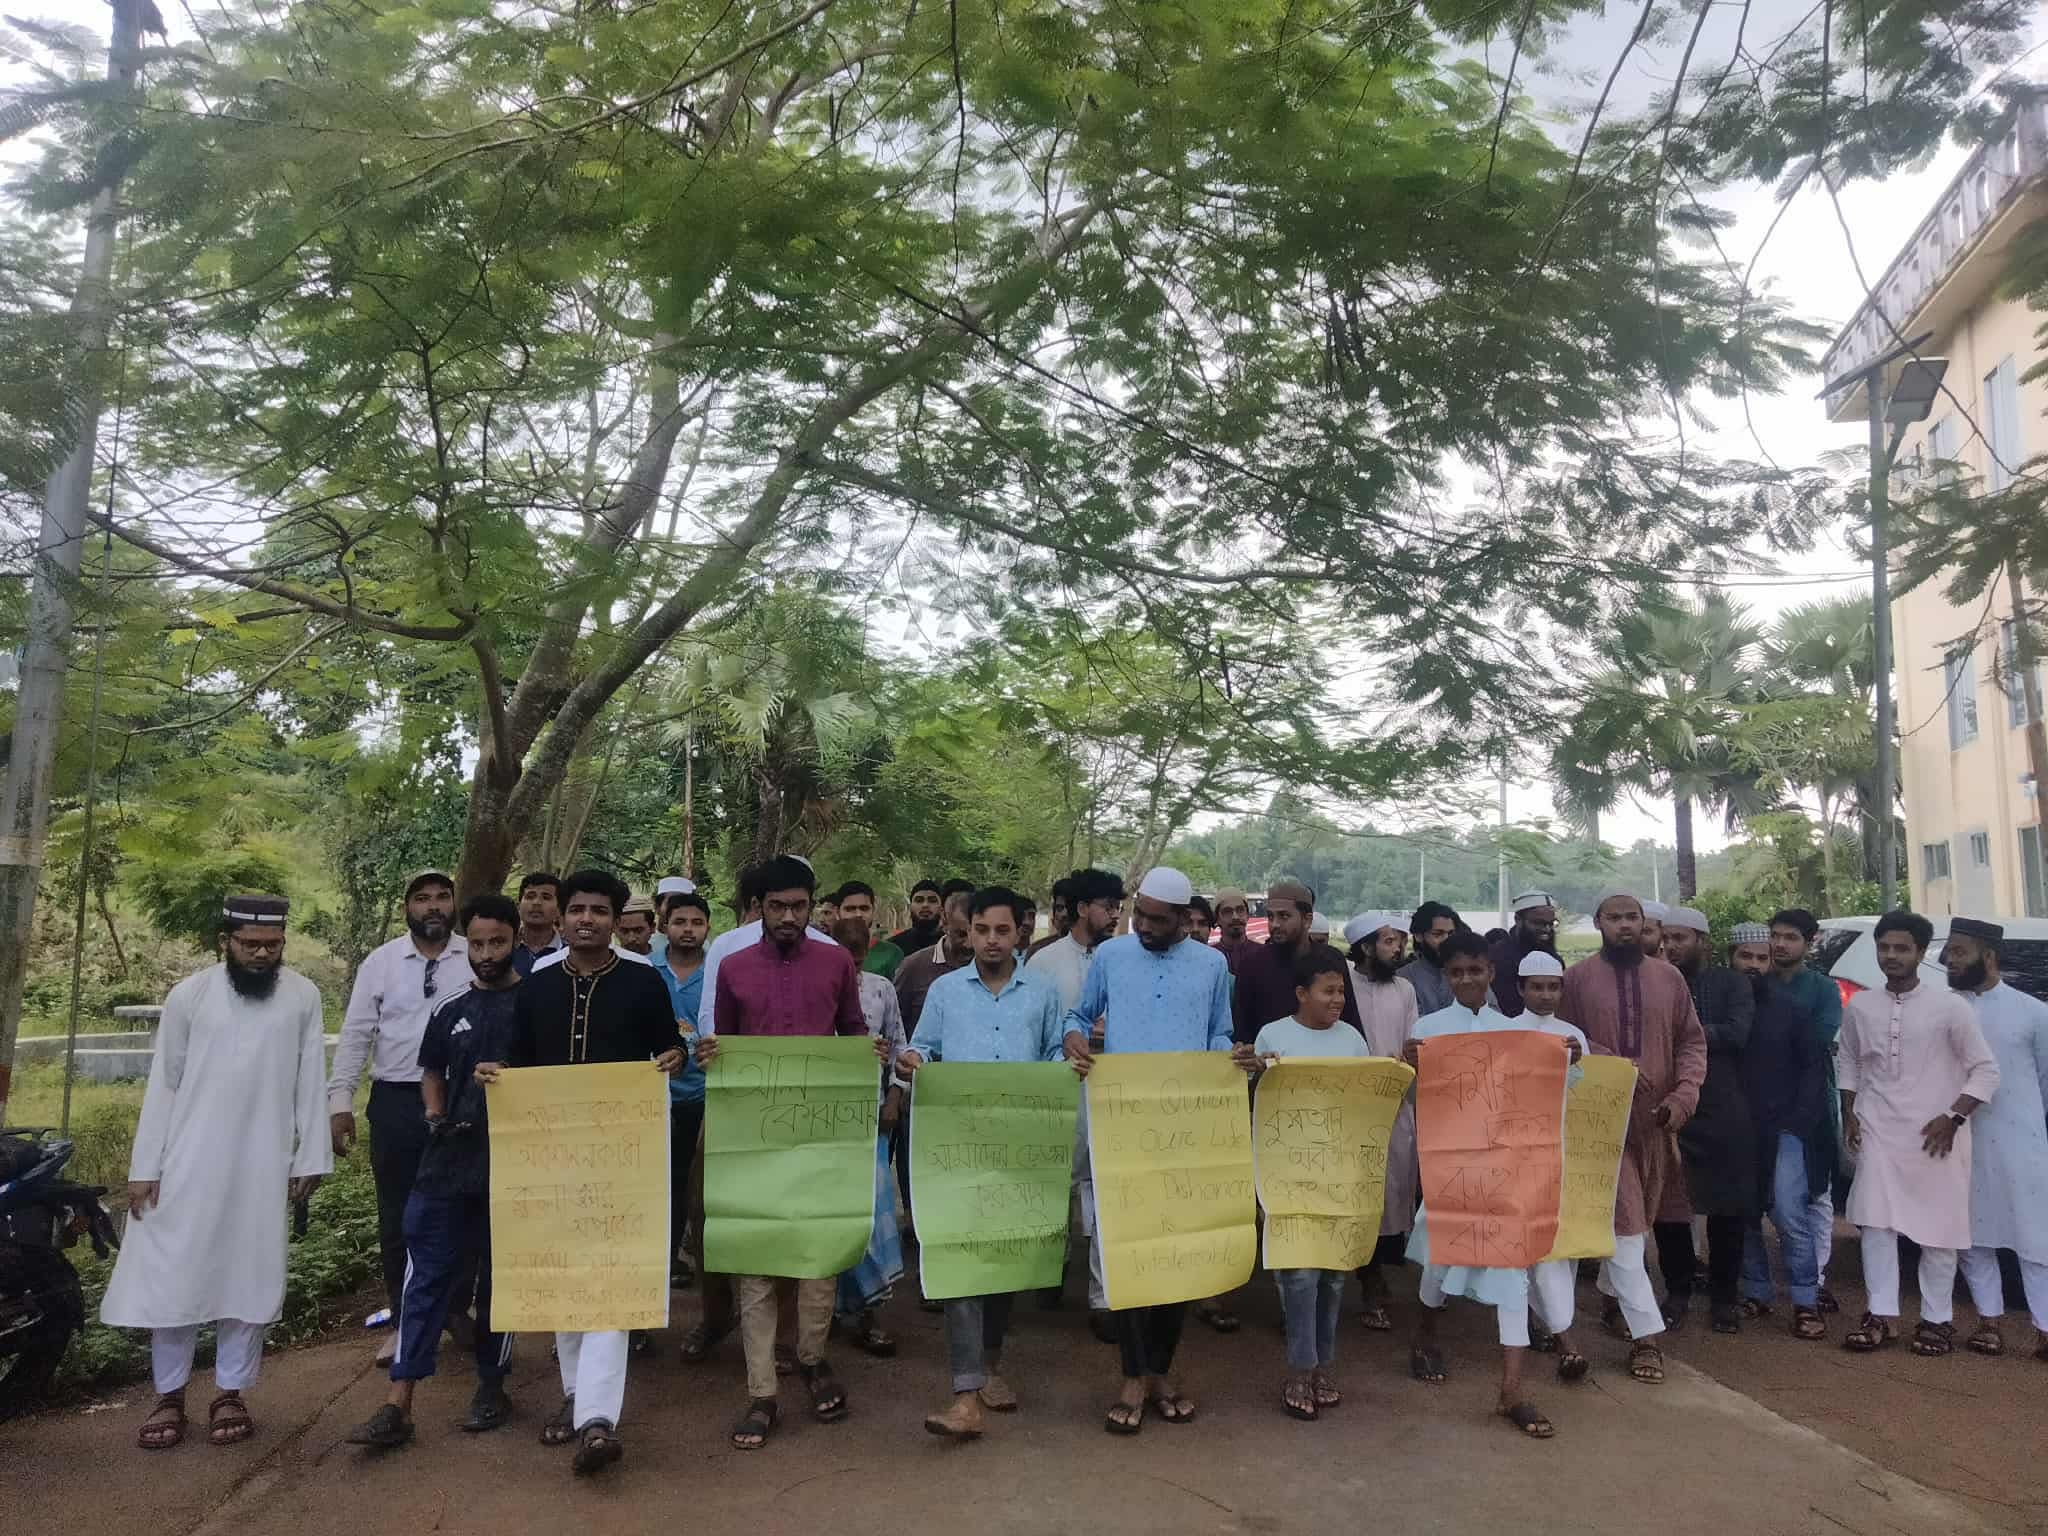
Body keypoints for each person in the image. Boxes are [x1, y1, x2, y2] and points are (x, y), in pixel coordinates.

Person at [104, 895, 329, 1452]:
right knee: (174, 1276)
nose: (262, 954)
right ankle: (169, 1396)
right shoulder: (190, 995)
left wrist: (310, 1156)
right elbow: (165, 1082)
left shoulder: (302, 996)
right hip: (187, 1161)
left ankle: (230, 1392)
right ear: (224, 942)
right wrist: (145, 1167)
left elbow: (310, 1080)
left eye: (272, 945)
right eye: (250, 945)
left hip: (262, 1163)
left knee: (248, 1276)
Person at [481, 869, 687, 1476]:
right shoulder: (536, 987)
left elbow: (667, 1046)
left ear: (616, 920)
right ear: (561, 917)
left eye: (599, 911)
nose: (587, 920)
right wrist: (497, 1074)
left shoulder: (644, 981)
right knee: (563, 1275)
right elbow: (518, 1060)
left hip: (623, 1159)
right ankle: (575, 1398)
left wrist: (673, 1056)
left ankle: (597, 1417)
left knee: (612, 1276)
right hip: (549, 1159)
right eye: (577, 910)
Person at [700, 855, 883, 1451]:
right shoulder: (732, 966)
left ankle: (811, 1357)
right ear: (759, 908)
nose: (787, 916)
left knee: (818, 1253)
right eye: (776, 906)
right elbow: (725, 1045)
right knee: (755, 1258)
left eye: (798, 906)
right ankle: (762, 1393)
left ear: (812, 906)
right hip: (752, 1138)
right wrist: (711, 1055)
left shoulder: (835, 962)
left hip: (821, 1133)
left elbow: (853, 1032)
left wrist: (869, 1055)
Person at [346, 894, 524, 1450]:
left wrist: (513, 1077)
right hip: (446, 1161)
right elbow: (430, 1069)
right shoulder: (450, 1007)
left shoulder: (537, 1003)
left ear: (516, 940)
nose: (487, 954)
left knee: (500, 1280)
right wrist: (435, 1111)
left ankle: (492, 1387)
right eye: (478, 944)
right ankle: (398, 1401)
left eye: (498, 942)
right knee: (423, 1273)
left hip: (514, 1165)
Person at [1060, 865, 1233, 1435]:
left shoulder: (1212, 965)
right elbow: (1077, 1015)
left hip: (1186, 1129)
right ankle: (1134, 1376)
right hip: (1122, 1126)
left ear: (1185, 918)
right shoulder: (1111, 957)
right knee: (1128, 1250)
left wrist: (1229, 1057)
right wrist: (1074, 1038)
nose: (1147, 928)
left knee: (1176, 1253)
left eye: (1160, 920)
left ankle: (1159, 1371)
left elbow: (1218, 1032)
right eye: (1142, 916)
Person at [897, 886, 1072, 1439]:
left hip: (1021, 1148)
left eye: (1002, 930)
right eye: (981, 930)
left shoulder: (1043, 993)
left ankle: (991, 1364)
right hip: (956, 1146)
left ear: (1020, 932)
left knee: (1004, 1262)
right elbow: (925, 1046)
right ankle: (965, 1393)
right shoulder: (946, 991)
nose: (991, 940)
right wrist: (911, 1059)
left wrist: (1066, 1065)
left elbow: (1052, 1052)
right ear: (966, 932)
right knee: (960, 1260)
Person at [1401, 934, 1583, 1440]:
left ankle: (1511, 1390)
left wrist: (1568, 1062)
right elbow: (1414, 1099)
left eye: (1475, 971)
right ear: (1447, 977)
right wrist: (1410, 1065)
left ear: (1491, 973)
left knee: (1512, 1272)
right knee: (1440, 1260)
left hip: (1507, 1173)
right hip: (1453, 1172)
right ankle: (1424, 1336)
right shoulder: (1427, 1030)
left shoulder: (1515, 1032)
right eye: (1457, 973)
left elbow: (1550, 1095)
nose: (1467, 980)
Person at [1837, 911, 1999, 1357]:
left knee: (1938, 1230)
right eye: (1884, 947)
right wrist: (1849, 1112)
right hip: (1878, 1129)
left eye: (1901, 948)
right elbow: (1849, 1060)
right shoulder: (1862, 1006)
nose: (1891, 956)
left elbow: (1985, 1071)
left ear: (1921, 952)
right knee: (1875, 1223)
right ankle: (1881, 1315)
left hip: (1936, 1134)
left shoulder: (1950, 1007)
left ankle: (1936, 1320)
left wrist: (1953, 1118)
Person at [328, 869, 472, 1362]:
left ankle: (456, 1311)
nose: (433, 906)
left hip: (462, 1099)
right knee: (398, 1214)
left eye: (442, 897)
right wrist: (340, 1102)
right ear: (407, 907)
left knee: (464, 1208)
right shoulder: (382, 962)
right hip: (395, 1101)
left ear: (453, 904)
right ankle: (405, 1319)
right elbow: (356, 1034)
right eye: (422, 898)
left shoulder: (473, 954)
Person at [1561, 891, 1700, 1386]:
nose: (1624, 925)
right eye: (1615, 917)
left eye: (1632, 917)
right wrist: (1616, 1066)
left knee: (1636, 1225)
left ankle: (1609, 1299)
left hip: (1657, 1125)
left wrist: (1683, 1096)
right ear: (1598, 922)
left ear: (1645, 924)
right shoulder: (1577, 979)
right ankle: (1646, 1338)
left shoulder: (1669, 978)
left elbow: (1691, 1042)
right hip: (1600, 1125)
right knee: (1626, 1226)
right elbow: (1566, 1038)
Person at [1233, 949, 1371, 1422]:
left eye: (1341, 991)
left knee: (1334, 1275)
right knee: (1299, 1275)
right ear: (1301, 993)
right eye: (1327, 991)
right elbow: (1255, 1101)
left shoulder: (1352, 1039)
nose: (1337, 1000)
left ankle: (1323, 1366)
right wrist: (1255, 1069)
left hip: (1339, 1172)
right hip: (1286, 1175)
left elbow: (1366, 1102)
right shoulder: (1273, 1036)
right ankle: (1300, 1369)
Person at [1942, 918, 2048, 1359]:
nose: (1949, 960)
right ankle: (1989, 1322)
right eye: (1948, 951)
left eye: (1959, 952)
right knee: (1972, 1235)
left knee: (2034, 1237)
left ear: (1987, 956)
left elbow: (2044, 1079)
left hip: (2020, 1139)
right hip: (1958, 1137)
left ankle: (2045, 1328)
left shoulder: (2033, 1012)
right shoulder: (1944, 1009)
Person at [1026, 866, 1124, 1337]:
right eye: (1108, 906)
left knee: (1107, 1188)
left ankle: (1103, 1298)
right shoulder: (1044, 962)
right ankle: (1052, 1264)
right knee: (1056, 1183)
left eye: (1118, 907)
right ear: (1083, 909)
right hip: (1061, 1087)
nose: (1115, 915)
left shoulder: (1126, 959)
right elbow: (1036, 1026)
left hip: (1116, 1089)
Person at [1728, 923, 1828, 1340]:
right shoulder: (1719, 1009)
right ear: (1731, 959)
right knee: (1744, 1213)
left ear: (1771, 962)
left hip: (1785, 1128)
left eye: (1761, 958)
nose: (1753, 965)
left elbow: (1813, 1067)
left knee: (1789, 1213)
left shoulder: (1791, 1010)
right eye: (1745, 957)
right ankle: (1757, 1291)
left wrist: (1799, 1121)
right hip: (1735, 1129)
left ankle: (1806, 1300)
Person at [1660, 907, 1755, 1333]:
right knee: (1671, 1208)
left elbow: (1738, 1033)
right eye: (1667, 938)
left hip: (1722, 1107)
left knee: (1727, 1210)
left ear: (1703, 941)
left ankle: (1724, 1299)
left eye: (1680, 938)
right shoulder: (1660, 981)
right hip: (1673, 1104)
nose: (1671, 946)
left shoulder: (1732, 983)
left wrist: (1685, 1035)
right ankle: (1677, 1292)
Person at [1515, 952, 1594, 1382]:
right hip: (1518, 1153)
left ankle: (1550, 1323)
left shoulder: (1572, 1035)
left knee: (1558, 1247)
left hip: (1562, 1150)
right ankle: (1563, 1338)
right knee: (1532, 1244)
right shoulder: (1507, 1031)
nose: (1546, 995)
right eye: (1537, 987)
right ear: (1521, 989)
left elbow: (1583, 1094)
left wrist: (1577, 1065)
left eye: (1553, 987)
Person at [831, 912, 907, 1358]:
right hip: (823, 1122)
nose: (853, 963)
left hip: (870, 1118)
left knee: (873, 1216)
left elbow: (899, 1045)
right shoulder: (816, 987)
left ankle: (871, 1314)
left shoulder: (881, 989)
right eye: (845, 954)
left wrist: (894, 1096)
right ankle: (827, 1311)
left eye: (859, 955)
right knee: (831, 1213)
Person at [1341, 912, 1419, 1330]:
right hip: (1350, 1106)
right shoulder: (1343, 984)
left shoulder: (1404, 989)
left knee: (1391, 1191)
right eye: (1389, 942)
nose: (1397, 949)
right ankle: (1367, 1279)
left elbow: (1411, 1040)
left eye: (1399, 941)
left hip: (1394, 1103)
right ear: (1367, 946)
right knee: (1354, 1189)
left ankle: (1376, 1274)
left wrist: (1407, 1060)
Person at [1766, 908, 1846, 1312]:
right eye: (1776, 936)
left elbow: (1817, 1040)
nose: (1780, 944)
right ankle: (1768, 1284)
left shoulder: (1823, 989)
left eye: (1791, 937)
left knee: (1817, 1191)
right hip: (1763, 1102)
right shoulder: (1757, 984)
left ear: (1809, 942)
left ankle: (1817, 1279)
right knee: (1772, 1195)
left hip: (1812, 1101)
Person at [1233, 880, 1363, 1047]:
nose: (1275, 924)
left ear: (1307, 920)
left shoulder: (1330, 959)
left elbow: (1348, 1017)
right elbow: (1242, 1030)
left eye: (1284, 916)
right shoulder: (1252, 964)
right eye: (1270, 916)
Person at [659, 892, 711, 1294]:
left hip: (705, 1094)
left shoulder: (718, 971)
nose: (688, 930)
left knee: (701, 1184)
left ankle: (707, 1261)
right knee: (665, 1182)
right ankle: (666, 1256)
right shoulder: (647, 970)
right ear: (664, 926)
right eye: (680, 922)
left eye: (696, 922)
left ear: (708, 927)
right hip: (656, 1095)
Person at [893, 882, 976, 1036]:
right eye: (961, 934)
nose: (969, 943)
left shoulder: (996, 967)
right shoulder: (913, 967)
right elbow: (894, 1026)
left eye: (977, 933)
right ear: (944, 921)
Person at [1488, 891, 1560, 1019]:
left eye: (1551, 924)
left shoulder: (1554, 959)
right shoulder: (1498, 957)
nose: (1547, 929)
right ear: (1518, 920)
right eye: (1539, 923)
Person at [1399, 901, 1464, 1016]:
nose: (1446, 940)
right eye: (1437, 934)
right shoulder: (1403, 978)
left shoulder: (1470, 973)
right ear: (1418, 936)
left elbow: (1491, 1014)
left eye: (1451, 934)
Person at [837, 882, 903, 978]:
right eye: (850, 909)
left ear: (873, 911)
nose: (858, 914)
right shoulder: (825, 951)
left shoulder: (892, 953)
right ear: (837, 912)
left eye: (864, 908)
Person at [511, 872, 563, 975]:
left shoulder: (569, 954)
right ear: (519, 905)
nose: (536, 902)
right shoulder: (503, 949)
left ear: (559, 909)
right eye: (530, 897)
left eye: (546, 897)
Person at [646, 874, 696, 965]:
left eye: (683, 904)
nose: (677, 910)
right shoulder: (645, 942)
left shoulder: (700, 943)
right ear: (657, 907)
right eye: (671, 903)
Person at [890, 878, 946, 953]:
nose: (925, 905)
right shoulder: (893, 947)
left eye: (932, 901)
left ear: (942, 908)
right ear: (910, 907)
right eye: (919, 900)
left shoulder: (952, 944)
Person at [1029, 875, 1078, 958]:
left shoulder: (1096, 952)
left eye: (1070, 908)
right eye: (1059, 908)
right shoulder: (1037, 950)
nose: (1064, 914)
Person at [1213, 887, 1253, 972]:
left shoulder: (1263, 954)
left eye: (1240, 910)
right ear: (1217, 919)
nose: (1235, 917)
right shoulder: (1209, 957)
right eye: (1227, 912)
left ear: (1248, 915)